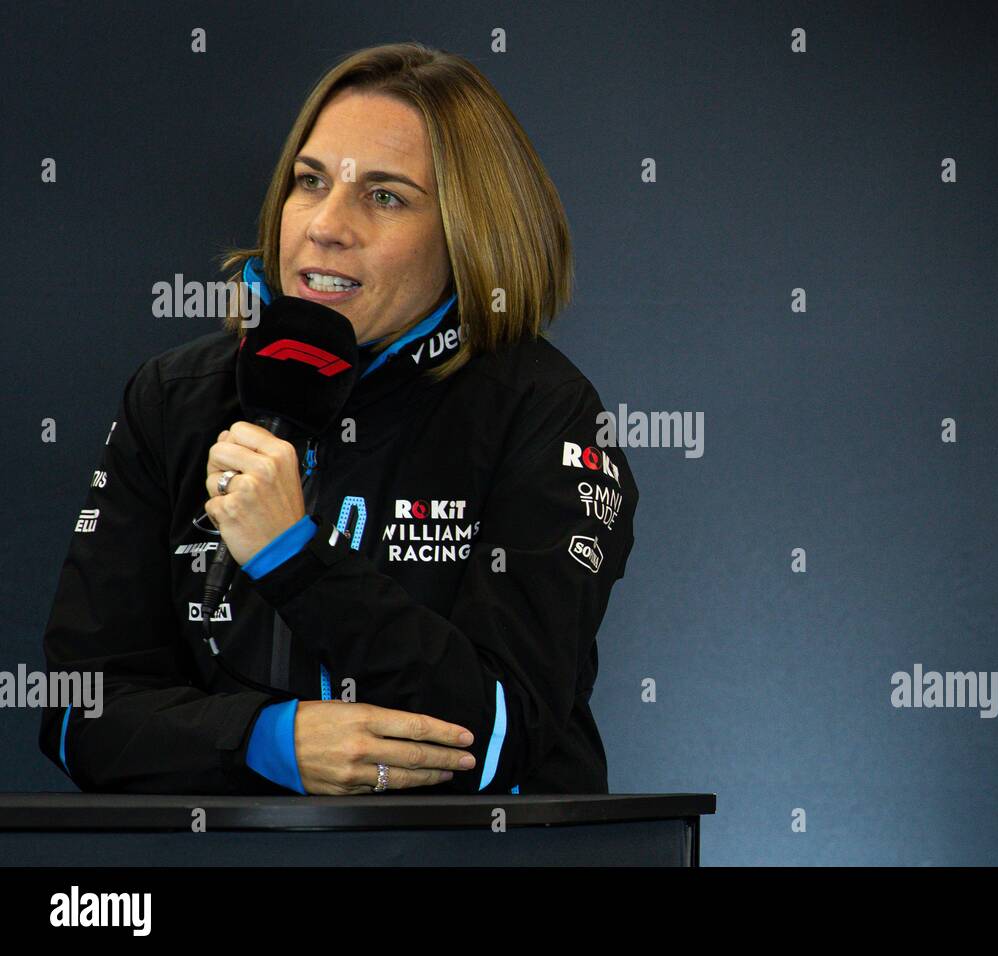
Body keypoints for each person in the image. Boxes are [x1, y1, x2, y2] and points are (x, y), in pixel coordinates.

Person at [37, 43, 637, 796]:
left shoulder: (545, 411)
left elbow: (496, 737)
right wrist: (259, 740)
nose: (324, 225)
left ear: (469, 234)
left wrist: (293, 557)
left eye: (385, 196)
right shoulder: (174, 398)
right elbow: (73, 712)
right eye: (309, 181)